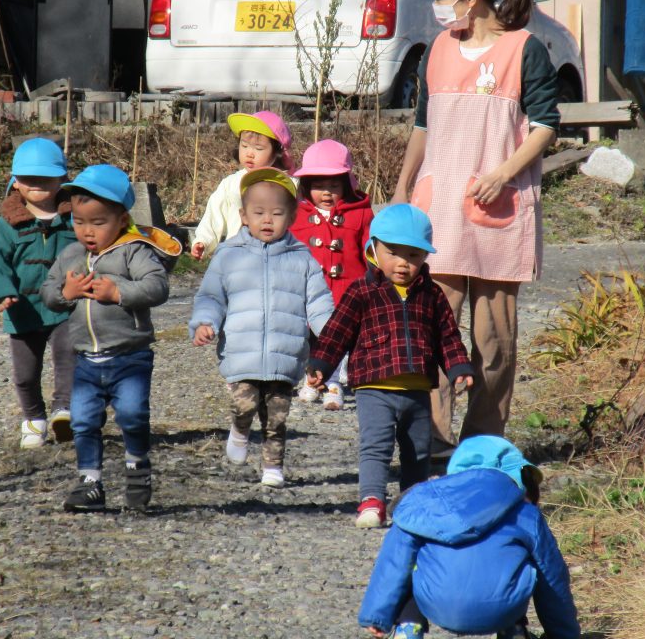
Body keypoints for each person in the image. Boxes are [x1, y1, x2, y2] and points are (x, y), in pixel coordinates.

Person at [392, 0, 560, 447]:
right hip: (438, 212)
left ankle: (481, 443)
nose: (437, 8)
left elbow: (546, 126)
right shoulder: (439, 49)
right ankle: (433, 444)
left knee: (494, 341)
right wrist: (402, 188)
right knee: (431, 333)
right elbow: (423, 126)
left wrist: (504, 173)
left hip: (496, 210)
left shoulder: (524, 49)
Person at [307, 204, 474, 528]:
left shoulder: (432, 294)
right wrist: (320, 365)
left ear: (424, 256)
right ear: (373, 249)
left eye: (413, 255)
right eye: (393, 253)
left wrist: (458, 368)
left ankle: (412, 502)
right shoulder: (363, 291)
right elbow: (337, 331)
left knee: (418, 450)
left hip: (417, 390)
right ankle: (372, 500)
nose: (403, 263)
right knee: (376, 445)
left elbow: (447, 336)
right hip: (374, 387)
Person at [41, 164, 182, 512]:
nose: (87, 231)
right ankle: (90, 483)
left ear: (122, 220)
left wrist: (118, 293)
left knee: (132, 415)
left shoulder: (134, 251)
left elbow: (157, 286)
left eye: (98, 222)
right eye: (79, 221)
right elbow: (48, 291)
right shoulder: (71, 255)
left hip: (129, 356)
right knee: (83, 421)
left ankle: (137, 465)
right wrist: (66, 293)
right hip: (86, 360)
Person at [190, 168, 334, 489]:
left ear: (292, 217)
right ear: (243, 215)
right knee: (244, 404)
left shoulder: (302, 258)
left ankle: (273, 466)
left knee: (277, 416)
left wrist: (334, 337)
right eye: (258, 213)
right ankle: (240, 429)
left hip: (286, 354)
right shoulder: (229, 255)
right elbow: (212, 296)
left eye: (277, 213)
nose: (267, 220)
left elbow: (319, 303)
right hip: (242, 352)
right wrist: (205, 323)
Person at [358, 435, 580, 639]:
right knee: (518, 562)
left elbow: (394, 559)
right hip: (502, 607)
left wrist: (377, 615)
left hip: (436, 602)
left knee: (411, 560)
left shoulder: (422, 505)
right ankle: (514, 630)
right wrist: (563, 633)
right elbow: (552, 575)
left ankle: (408, 627)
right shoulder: (525, 513)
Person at [0, 137, 77, 449]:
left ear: (62, 179)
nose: (36, 184)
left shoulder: (75, 219)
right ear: (16, 183)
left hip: (66, 306)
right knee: (25, 374)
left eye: (45, 178)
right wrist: (1, 293)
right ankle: (34, 421)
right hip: (22, 309)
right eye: (28, 178)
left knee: (69, 359)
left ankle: (65, 411)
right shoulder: (5, 226)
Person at [290, 139, 374, 410]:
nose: (326, 193)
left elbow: (370, 251)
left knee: (337, 338)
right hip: (307, 290)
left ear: (347, 184)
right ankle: (312, 378)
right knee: (309, 338)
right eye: (318, 185)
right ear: (306, 185)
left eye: (334, 186)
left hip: (347, 290)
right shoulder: (296, 215)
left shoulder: (361, 214)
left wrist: (375, 278)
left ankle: (334, 384)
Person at [189, 110, 295, 260]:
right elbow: (214, 214)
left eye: (258, 148)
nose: (249, 153)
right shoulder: (231, 184)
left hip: (277, 257)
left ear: (276, 152)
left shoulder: (287, 185)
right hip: (237, 256)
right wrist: (203, 241)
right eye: (244, 146)